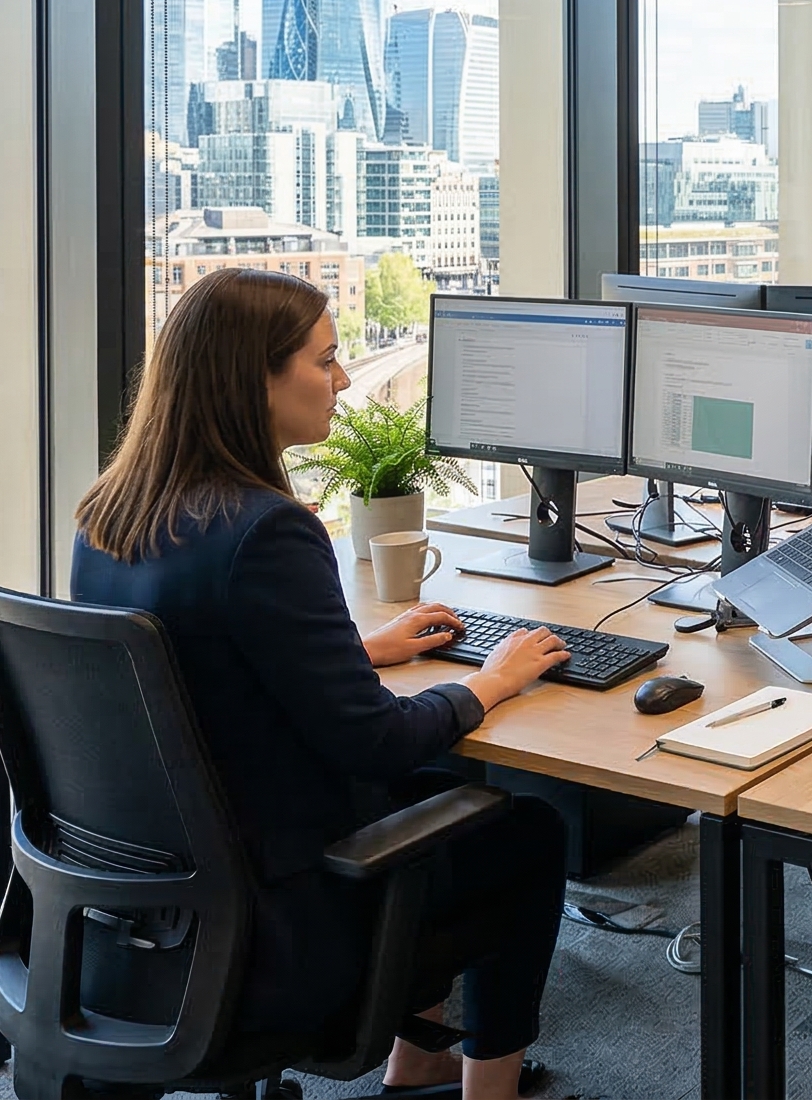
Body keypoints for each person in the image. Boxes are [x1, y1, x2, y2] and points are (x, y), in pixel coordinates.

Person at [69, 268, 566, 1100]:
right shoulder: (269, 531)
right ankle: (488, 1092)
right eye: (325, 361)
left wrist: (354, 653)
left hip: (154, 905)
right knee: (527, 832)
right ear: (251, 380)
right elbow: (375, 739)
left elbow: (185, 667)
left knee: (429, 788)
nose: (342, 381)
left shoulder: (110, 513)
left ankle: (422, 1065)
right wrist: (492, 680)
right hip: (278, 920)